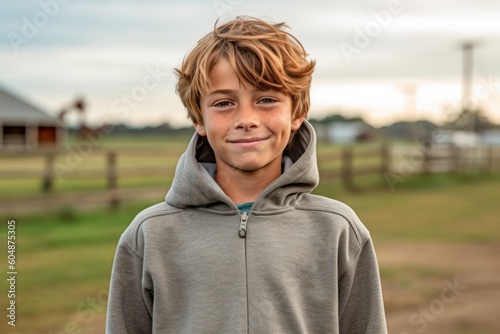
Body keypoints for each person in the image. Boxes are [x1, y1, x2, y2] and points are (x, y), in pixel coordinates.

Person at [106, 16, 387, 333]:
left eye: (266, 99)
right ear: (199, 119)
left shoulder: (338, 229)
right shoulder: (149, 235)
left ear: (296, 113)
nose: (246, 119)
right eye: (224, 103)